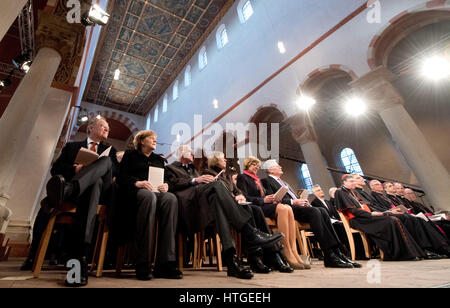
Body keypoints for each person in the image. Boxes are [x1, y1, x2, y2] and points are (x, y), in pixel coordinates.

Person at [165, 146, 283, 279]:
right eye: (189, 151)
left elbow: (225, 190)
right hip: (188, 206)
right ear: (180, 153)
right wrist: (194, 180)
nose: (193, 153)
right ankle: (249, 232)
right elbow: (171, 186)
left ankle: (232, 260)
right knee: (217, 185)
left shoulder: (194, 170)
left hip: (204, 204)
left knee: (218, 202)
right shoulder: (170, 168)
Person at [27, 116, 119, 286]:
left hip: (101, 193)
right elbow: (56, 169)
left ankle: (71, 188)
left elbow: (115, 172)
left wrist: (95, 168)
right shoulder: (72, 147)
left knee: (105, 162)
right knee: (94, 184)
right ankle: (80, 261)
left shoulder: (110, 150)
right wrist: (75, 169)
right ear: (90, 128)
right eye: (102, 126)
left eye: (108, 128)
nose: (107, 129)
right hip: (84, 194)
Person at [203, 152, 293, 273]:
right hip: (220, 209)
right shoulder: (207, 174)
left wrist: (240, 196)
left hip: (236, 207)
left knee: (255, 209)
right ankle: (255, 255)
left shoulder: (227, 176)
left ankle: (271, 254)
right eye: (222, 158)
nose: (225, 159)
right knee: (252, 209)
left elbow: (238, 191)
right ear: (215, 160)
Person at [258, 159, 358, 268]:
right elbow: (272, 199)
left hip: (297, 207)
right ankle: (328, 254)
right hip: (287, 209)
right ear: (270, 170)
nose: (280, 167)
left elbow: (293, 197)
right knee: (314, 211)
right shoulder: (265, 181)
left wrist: (302, 201)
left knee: (323, 211)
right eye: (277, 166)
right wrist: (293, 201)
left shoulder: (284, 182)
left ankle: (337, 252)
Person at [116, 130, 181, 280]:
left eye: (155, 138)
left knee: (171, 198)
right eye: (151, 138)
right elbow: (121, 177)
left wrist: (166, 185)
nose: (154, 140)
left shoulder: (159, 159)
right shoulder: (130, 155)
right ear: (141, 141)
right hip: (135, 195)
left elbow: (169, 179)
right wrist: (137, 182)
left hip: (157, 194)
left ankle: (166, 263)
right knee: (148, 196)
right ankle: (143, 262)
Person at [355, 176, 450, 259]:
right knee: (411, 219)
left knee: (417, 219)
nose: (379, 186)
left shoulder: (377, 195)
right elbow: (373, 207)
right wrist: (389, 211)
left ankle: (437, 247)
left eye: (380, 184)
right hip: (380, 216)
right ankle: (426, 248)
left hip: (387, 213)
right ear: (372, 187)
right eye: (377, 184)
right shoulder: (371, 194)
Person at [334, 174, 425, 261]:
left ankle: (409, 252)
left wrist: (375, 213)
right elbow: (353, 211)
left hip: (365, 217)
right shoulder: (340, 192)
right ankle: (397, 254)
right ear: (344, 182)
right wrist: (371, 214)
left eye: (354, 181)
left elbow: (363, 206)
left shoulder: (352, 192)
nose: (353, 183)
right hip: (357, 220)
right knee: (391, 220)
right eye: (351, 181)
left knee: (393, 219)